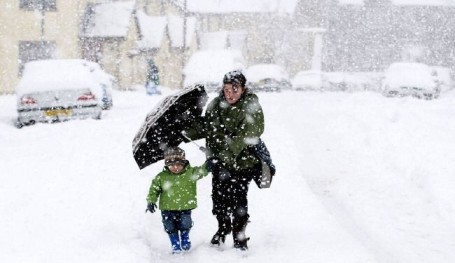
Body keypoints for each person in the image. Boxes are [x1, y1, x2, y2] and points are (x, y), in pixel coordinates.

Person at [185, 70, 265, 250]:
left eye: (234, 90)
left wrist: (221, 157)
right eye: (227, 89)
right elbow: (208, 129)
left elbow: (248, 135)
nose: (230, 94)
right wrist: (185, 128)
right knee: (219, 199)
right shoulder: (215, 105)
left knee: (238, 200)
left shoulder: (251, 106)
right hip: (219, 163)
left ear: (243, 89)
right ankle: (222, 228)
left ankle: (239, 236)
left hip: (243, 163)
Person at [146, 146, 209, 253]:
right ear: (167, 165)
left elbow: (202, 171)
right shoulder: (161, 177)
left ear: (183, 163)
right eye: (171, 165)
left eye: (179, 164)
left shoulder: (191, 173)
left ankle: (185, 238)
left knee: (186, 224)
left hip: (185, 207)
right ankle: (175, 243)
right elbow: (153, 190)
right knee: (170, 227)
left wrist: (209, 162)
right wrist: (151, 201)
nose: (175, 167)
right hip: (167, 208)